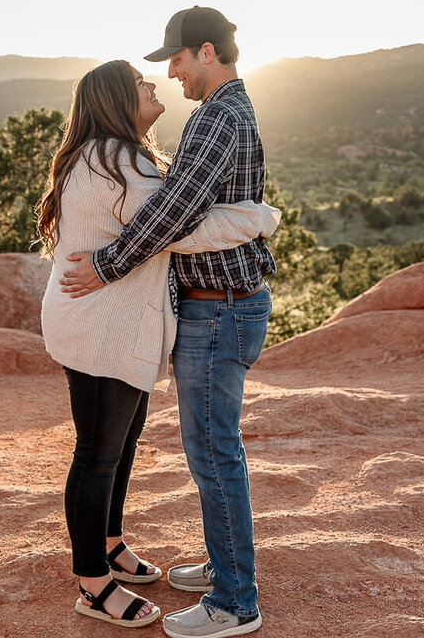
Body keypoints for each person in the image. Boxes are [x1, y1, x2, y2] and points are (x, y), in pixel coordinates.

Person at [36, 59, 280, 630]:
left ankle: (112, 542)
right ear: (119, 102)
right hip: (100, 328)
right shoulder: (113, 161)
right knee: (98, 454)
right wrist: (258, 217)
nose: (155, 84)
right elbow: (183, 228)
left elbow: (165, 218)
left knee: (117, 444)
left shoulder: (117, 156)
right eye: (142, 85)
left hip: (112, 325)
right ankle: (94, 583)